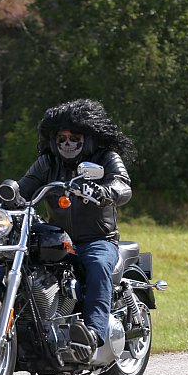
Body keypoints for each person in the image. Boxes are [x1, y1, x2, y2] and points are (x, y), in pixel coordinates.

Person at [16, 99, 135, 359]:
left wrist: (105, 191)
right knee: (19, 260)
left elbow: (122, 185)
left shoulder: (105, 157)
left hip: (98, 238)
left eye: (74, 137)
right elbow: (24, 187)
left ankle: (92, 334)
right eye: (62, 138)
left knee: (97, 264)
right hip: (59, 240)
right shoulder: (47, 163)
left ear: (89, 136)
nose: (67, 143)